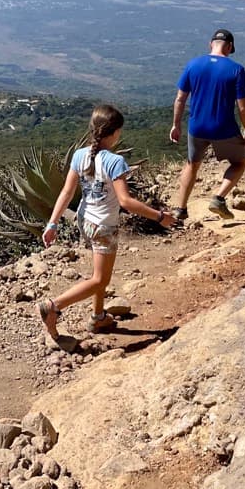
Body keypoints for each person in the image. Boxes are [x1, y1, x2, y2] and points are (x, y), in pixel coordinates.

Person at [38, 104, 175, 340]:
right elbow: (126, 201)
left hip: (84, 220)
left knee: (98, 271)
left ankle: (98, 316)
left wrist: (53, 223)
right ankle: (54, 305)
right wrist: (160, 217)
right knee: (100, 278)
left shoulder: (79, 155)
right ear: (114, 133)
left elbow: (67, 192)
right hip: (103, 226)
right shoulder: (115, 161)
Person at [169, 28, 245, 221]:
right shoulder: (236, 69)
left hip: (196, 126)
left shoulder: (193, 65)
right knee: (240, 161)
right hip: (223, 127)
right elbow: (243, 108)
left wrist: (176, 125)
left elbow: (180, 99)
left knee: (192, 165)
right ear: (230, 46)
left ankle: (180, 209)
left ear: (210, 44)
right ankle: (218, 198)